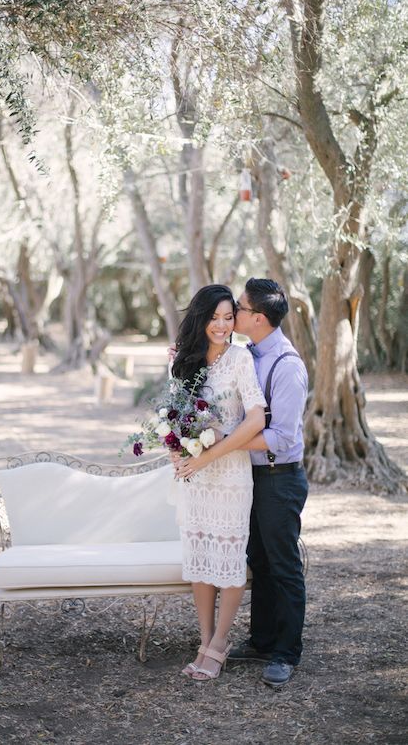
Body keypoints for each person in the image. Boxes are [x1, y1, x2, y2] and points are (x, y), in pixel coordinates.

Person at [170, 284, 267, 681]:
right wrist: (175, 448)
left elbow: (256, 419)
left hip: (229, 475)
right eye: (215, 318)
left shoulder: (241, 359)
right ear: (201, 318)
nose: (223, 325)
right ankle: (205, 639)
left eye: (229, 318)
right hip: (194, 478)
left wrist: (209, 455)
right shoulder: (183, 360)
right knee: (201, 559)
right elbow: (173, 415)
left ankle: (220, 643)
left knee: (227, 560)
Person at [226, 277, 309, 688]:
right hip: (253, 476)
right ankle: (261, 640)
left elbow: (284, 437)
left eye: (239, 307)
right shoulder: (246, 355)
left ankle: (286, 652)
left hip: (280, 478)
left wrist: (229, 445)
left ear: (257, 318)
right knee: (258, 560)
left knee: (283, 566)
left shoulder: (287, 367)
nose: (234, 310)